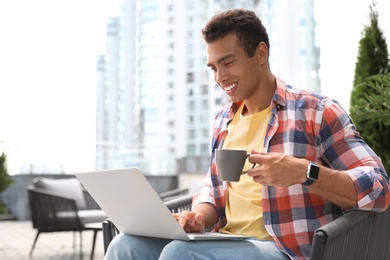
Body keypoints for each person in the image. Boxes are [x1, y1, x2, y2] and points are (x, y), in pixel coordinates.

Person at [105, 9, 390, 259]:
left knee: (181, 254)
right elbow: (214, 188)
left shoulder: (316, 111)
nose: (220, 77)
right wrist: (198, 217)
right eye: (214, 67)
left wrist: (306, 173)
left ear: (261, 54)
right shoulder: (222, 120)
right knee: (125, 245)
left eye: (228, 62)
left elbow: (379, 186)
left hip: (285, 250)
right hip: (225, 243)